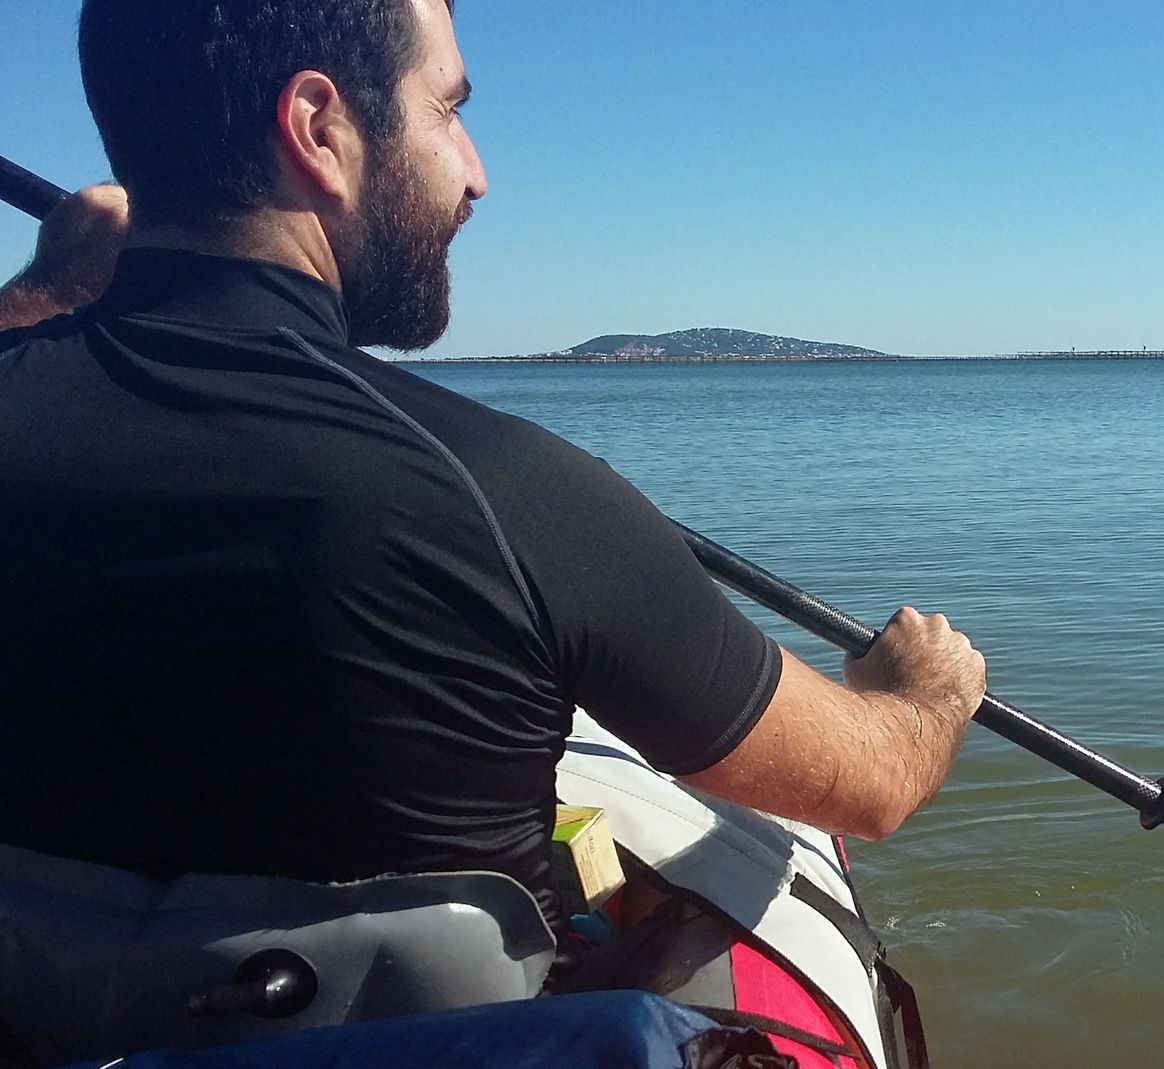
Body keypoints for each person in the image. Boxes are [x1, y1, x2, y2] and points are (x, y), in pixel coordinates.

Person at [0, 0, 986, 933]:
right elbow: (866, 786)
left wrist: (47, 291)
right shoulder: (514, 497)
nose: (476, 175)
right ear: (317, 128)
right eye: (448, 108)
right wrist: (923, 691)